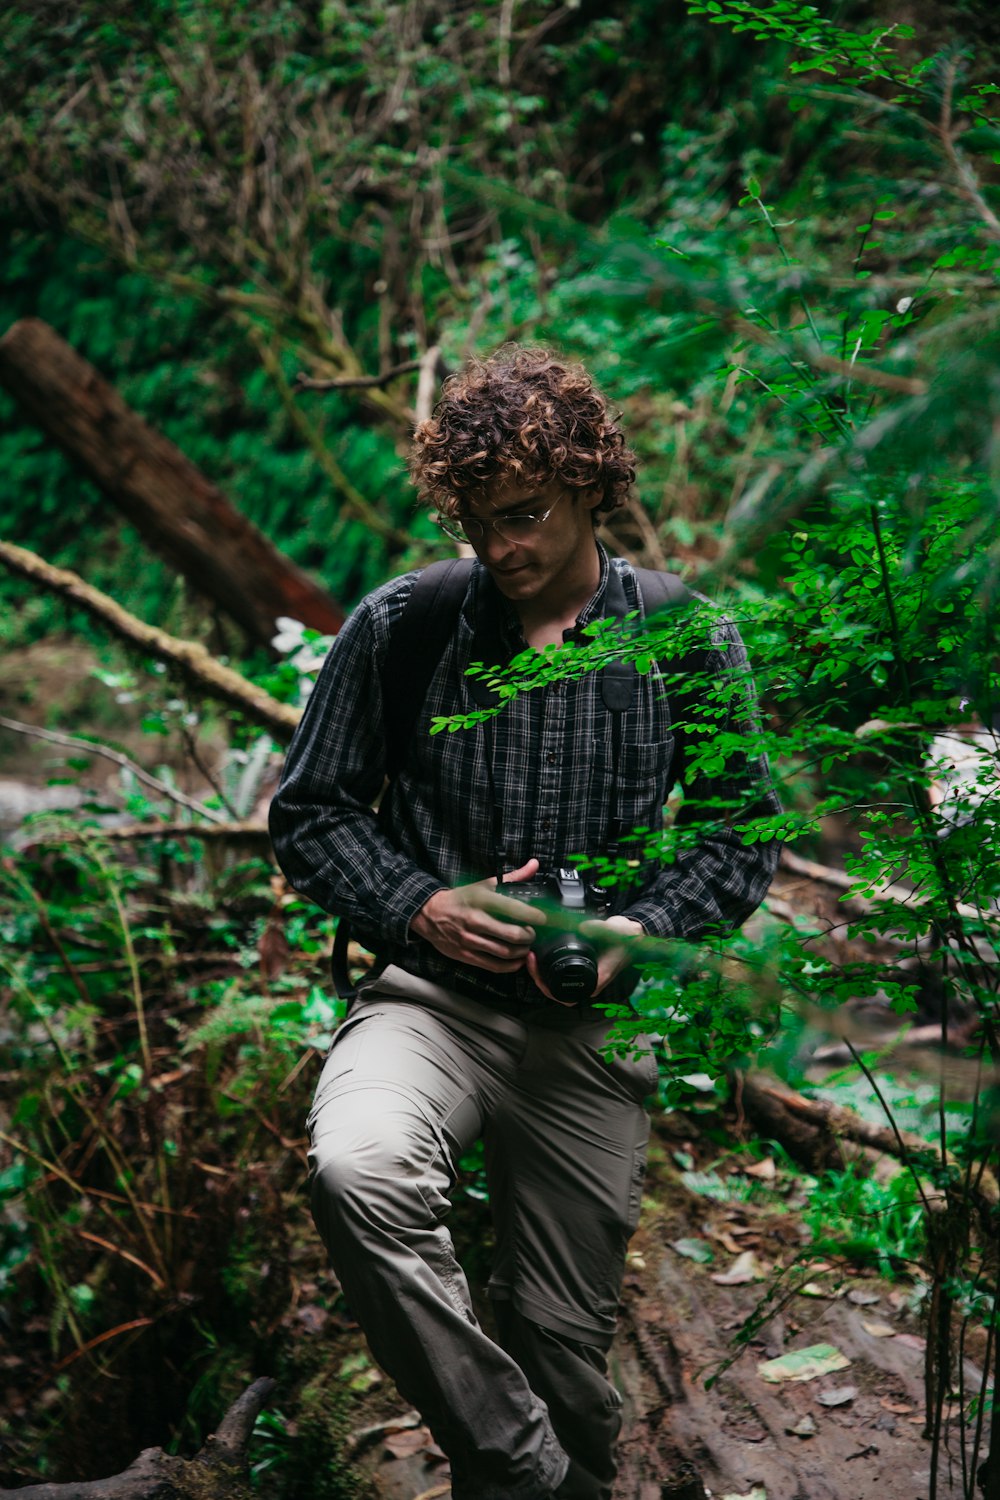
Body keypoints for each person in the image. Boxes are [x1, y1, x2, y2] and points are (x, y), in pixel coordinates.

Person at [268, 345, 780, 1499]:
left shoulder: (684, 636)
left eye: (528, 514)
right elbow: (308, 811)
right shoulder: (407, 623)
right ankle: (526, 1476)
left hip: (587, 1042)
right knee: (358, 1169)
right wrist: (419, 906)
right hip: (427, 1007)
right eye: (477, 517)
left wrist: (633, 934)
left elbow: (743, 832)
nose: (501, 546)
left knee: (563, 1352)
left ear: (595, 487)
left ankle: (557, 1456)